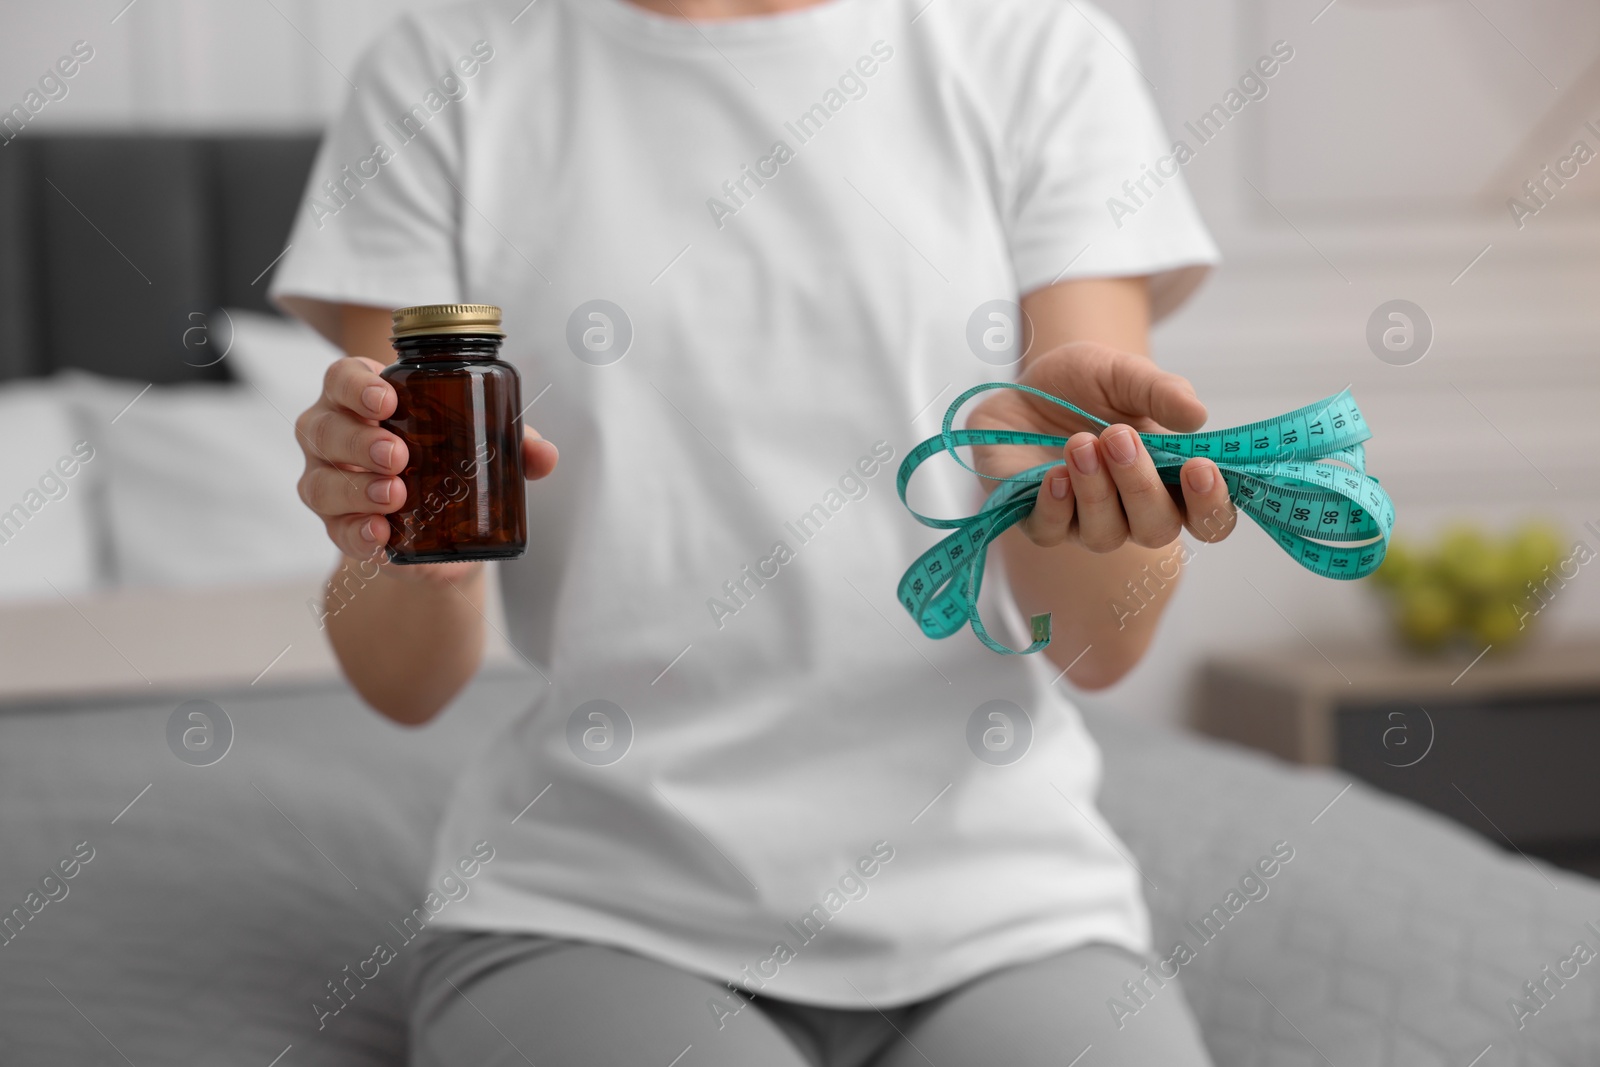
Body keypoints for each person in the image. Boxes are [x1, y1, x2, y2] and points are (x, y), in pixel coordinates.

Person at [271, 0, 1232, 1063]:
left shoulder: (1041, 55)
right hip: (593, 910)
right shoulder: (442, 70)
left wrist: (1069, 492)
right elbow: (405, 682)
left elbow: (1103, 643)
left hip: (1008, 912)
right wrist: (419, 545)